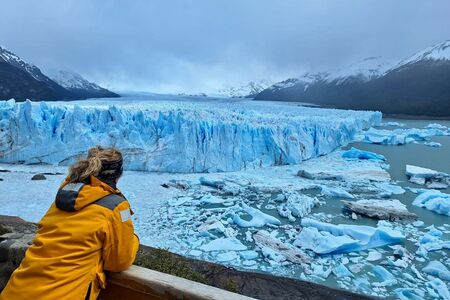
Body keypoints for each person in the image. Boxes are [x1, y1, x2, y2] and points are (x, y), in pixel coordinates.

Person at [0, 146, 139, 300]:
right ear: (118, 175)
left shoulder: (65, 197)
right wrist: (134, 240)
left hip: (16, 291)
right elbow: (119, 261)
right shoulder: (116, 206)